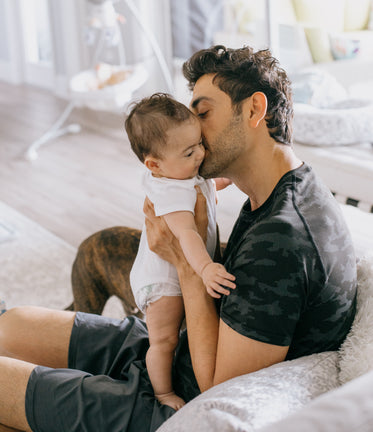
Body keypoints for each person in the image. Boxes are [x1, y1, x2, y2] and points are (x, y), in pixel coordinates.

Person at [0, 45, 357, 432]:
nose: (193, 129)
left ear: (255, 109)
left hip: (177, 405)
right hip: (173, 353)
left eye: (202, 113)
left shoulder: (285, 238)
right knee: (12, 326)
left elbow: (218, 389)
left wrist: (183, 261)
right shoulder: (275, 191)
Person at [124, 93, 235, 410]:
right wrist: (205, 269)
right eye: (190, 151)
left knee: (177, 336)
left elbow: (206, 184)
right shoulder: (169, 190)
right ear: (154, 165)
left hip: (176, 275)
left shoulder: (181, 170)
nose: (200, 153)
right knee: (163, 340)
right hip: (163, 283)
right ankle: (162, 392)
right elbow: (187, 235)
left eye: (200, 143)